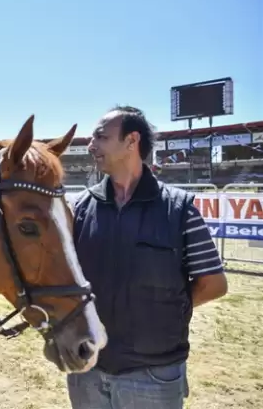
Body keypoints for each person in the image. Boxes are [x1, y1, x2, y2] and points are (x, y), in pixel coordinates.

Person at [67, 106, 229, 409]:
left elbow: (214, 284)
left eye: (101, 137)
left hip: (153, 376)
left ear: (131, 141)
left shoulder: (180, 210)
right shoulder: (80, 208)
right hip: (87, 372)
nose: (91, 146)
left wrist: (168, 309)